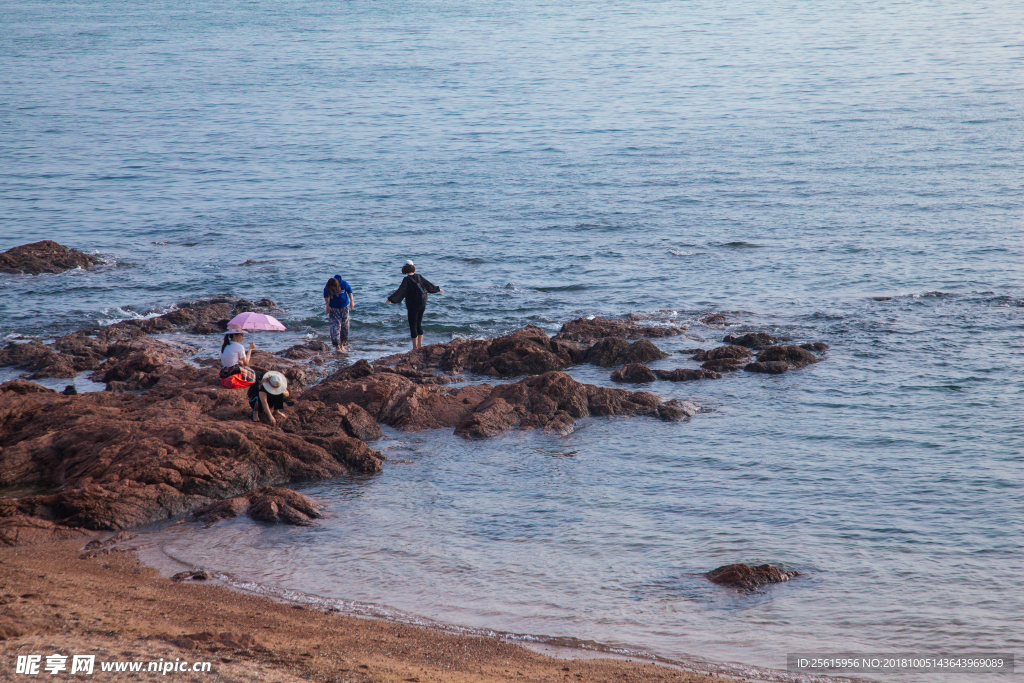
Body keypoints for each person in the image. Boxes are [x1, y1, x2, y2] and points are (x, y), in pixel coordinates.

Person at [384, 260, 443, 350]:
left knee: (413, 325)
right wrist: (438, 289)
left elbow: (401, 291)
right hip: (422, 303)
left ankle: (415, 348)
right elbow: (428, 285)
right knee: (419, 324)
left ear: (404, 268)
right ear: (413, 267)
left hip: (412, 305)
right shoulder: (419, 276)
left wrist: (390, 299)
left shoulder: (406, 279)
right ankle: (420, 346)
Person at [323, 275, 355, 352]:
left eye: (333, 288)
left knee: (345, 327)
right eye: (331, 288)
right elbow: (325, 296)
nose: (332, 289)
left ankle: (342, 345)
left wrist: (352, 301)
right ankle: (337, 347)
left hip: (344, 307)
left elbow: (350, 291)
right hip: (333, 308)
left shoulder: (343, 283)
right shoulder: (328, 286)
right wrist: (327, 306)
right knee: (335, 327)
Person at [219, 323, 256, 389]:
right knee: (254, 373)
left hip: (224, 372)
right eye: (241, 335)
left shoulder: (225, 345)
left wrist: (240, 363)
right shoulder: (239, 347)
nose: (243, 337)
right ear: (235, 336)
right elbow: (246, 363)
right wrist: (250, 349)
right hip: (233, 372)